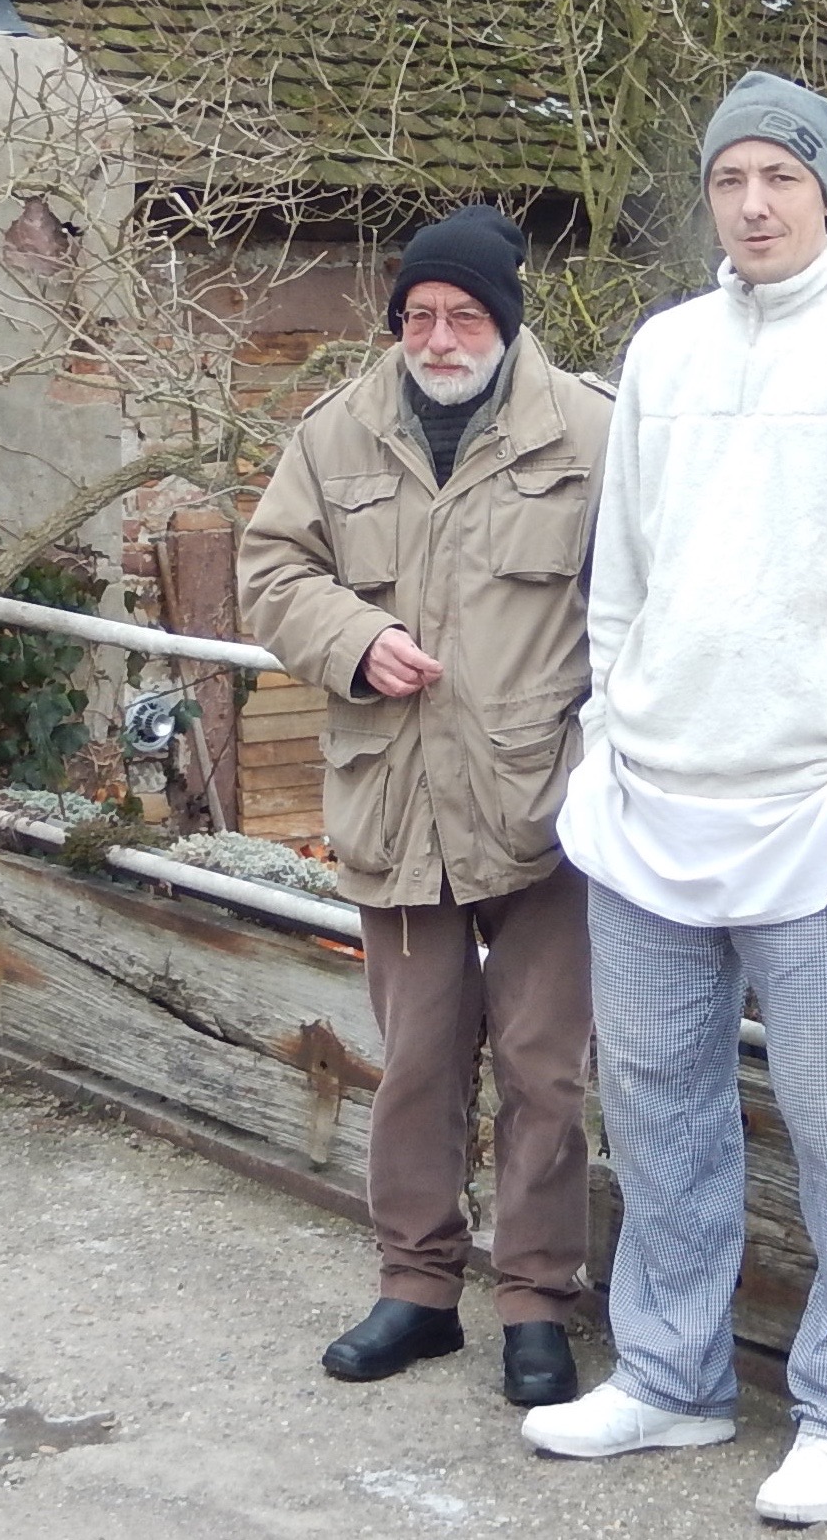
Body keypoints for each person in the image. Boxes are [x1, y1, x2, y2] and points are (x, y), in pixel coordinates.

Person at [520, 74, 827, 1525]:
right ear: (709, 193)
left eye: (782, 175)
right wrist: (607, 732)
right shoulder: (664, 348)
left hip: (815, 805)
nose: (756, 202)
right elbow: (624, 569)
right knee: (657, 1104)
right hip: (653, 795)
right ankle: (672, 1374)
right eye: (731, 178)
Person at [238, 205, 612, 1409]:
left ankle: (536, 1300)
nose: (437, 338)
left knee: (545, 1068)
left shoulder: (594, 433)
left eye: (462, 316)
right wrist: (354, 638)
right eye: (416, 315)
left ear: (506, 319)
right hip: (395, 799)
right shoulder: (335, 432)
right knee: (414, 1064)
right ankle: (417, 1287)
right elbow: (270, 571)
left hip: (543, 803)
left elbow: (645, 603)